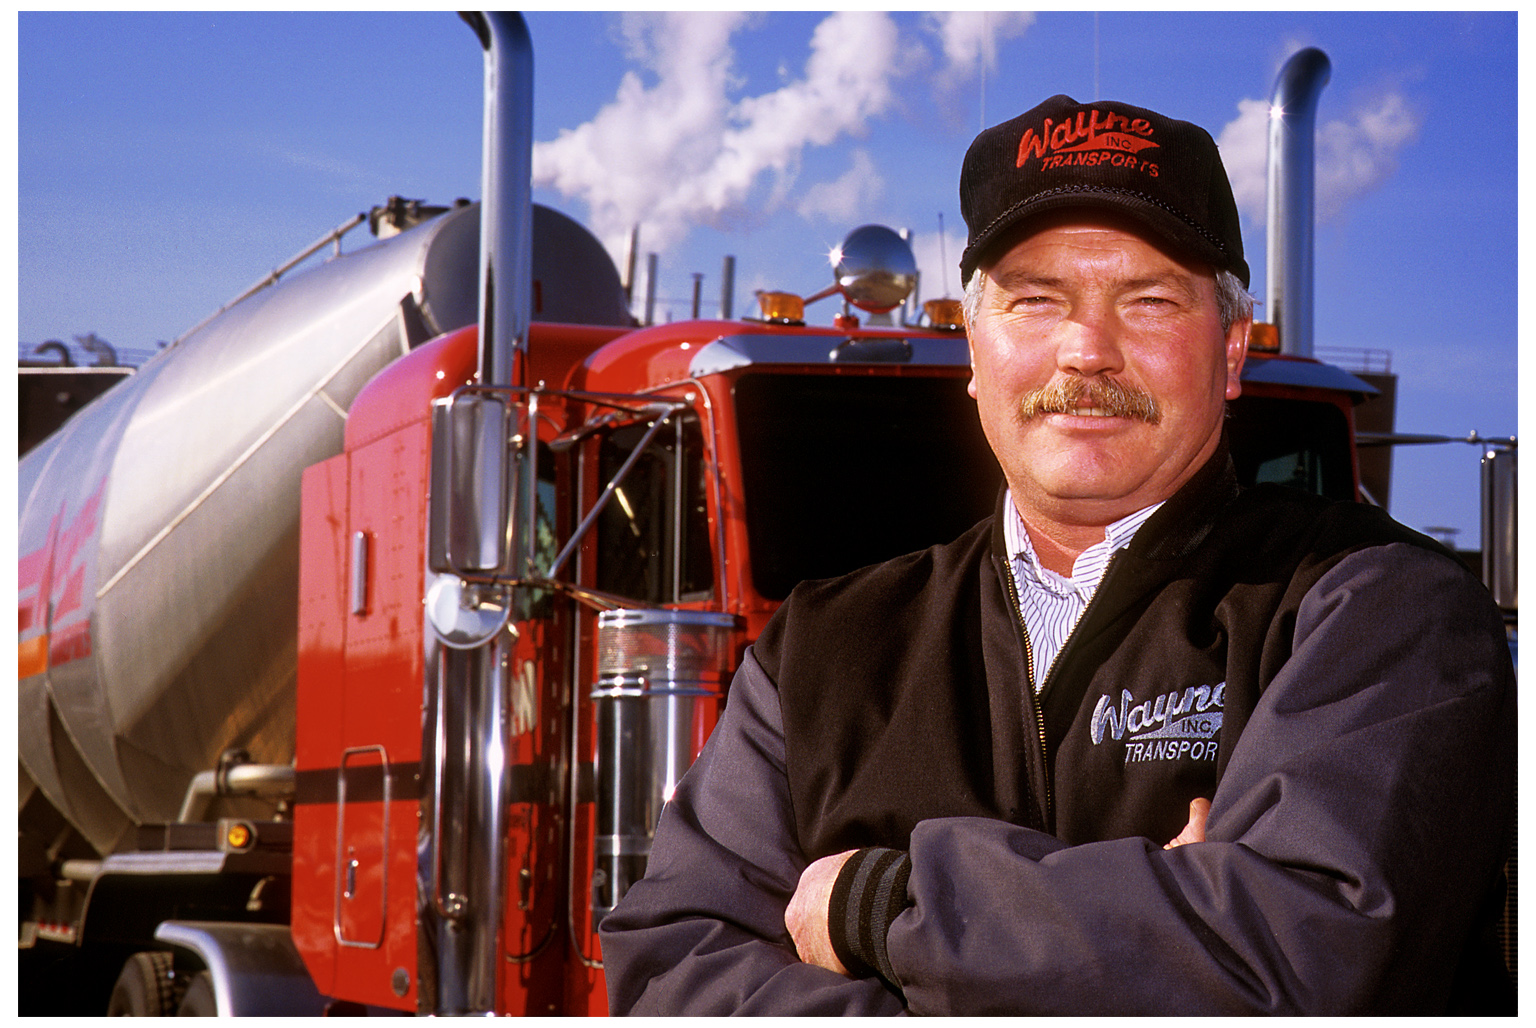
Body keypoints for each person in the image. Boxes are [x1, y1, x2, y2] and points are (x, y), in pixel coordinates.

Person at [599, 94, 1516, 1015]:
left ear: (1231, 351)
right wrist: (1158, 924)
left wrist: (879, 910)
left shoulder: (1378, 609)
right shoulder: (820, 650)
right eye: (1037, 300)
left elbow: (1310, 953)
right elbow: (675, 969)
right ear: (973, 344)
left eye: (1150, 299)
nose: (1088, 350)